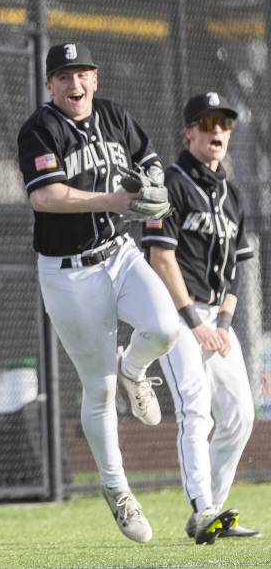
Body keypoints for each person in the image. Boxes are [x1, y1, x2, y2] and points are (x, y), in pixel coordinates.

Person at [16, 42, 179, 544]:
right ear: (49, 84)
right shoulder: (39, 130)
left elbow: (150, 163)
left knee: (165, 328)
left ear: (96, 77)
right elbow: (45, 196)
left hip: (118, 251)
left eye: (81, 73)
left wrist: (154, 188)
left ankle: (135, 368)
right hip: (69, 274)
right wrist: (117, 198)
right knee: (98, 387)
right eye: (63, 76)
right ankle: (118, 489)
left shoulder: (113, 116)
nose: (74, 84)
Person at [142, 92, 259, 544]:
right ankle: (203, 508)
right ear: (187, 132)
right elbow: (160, 257)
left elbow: (233, 271)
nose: (217, 132)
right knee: (196, 410)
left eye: (224, 125)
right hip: (175, 313)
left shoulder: (232, 194)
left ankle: (212, 510)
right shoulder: (171, 183)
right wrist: (196, 322)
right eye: (207, 123)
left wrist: (224, 325)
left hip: (214, 320)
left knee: (240, 416)